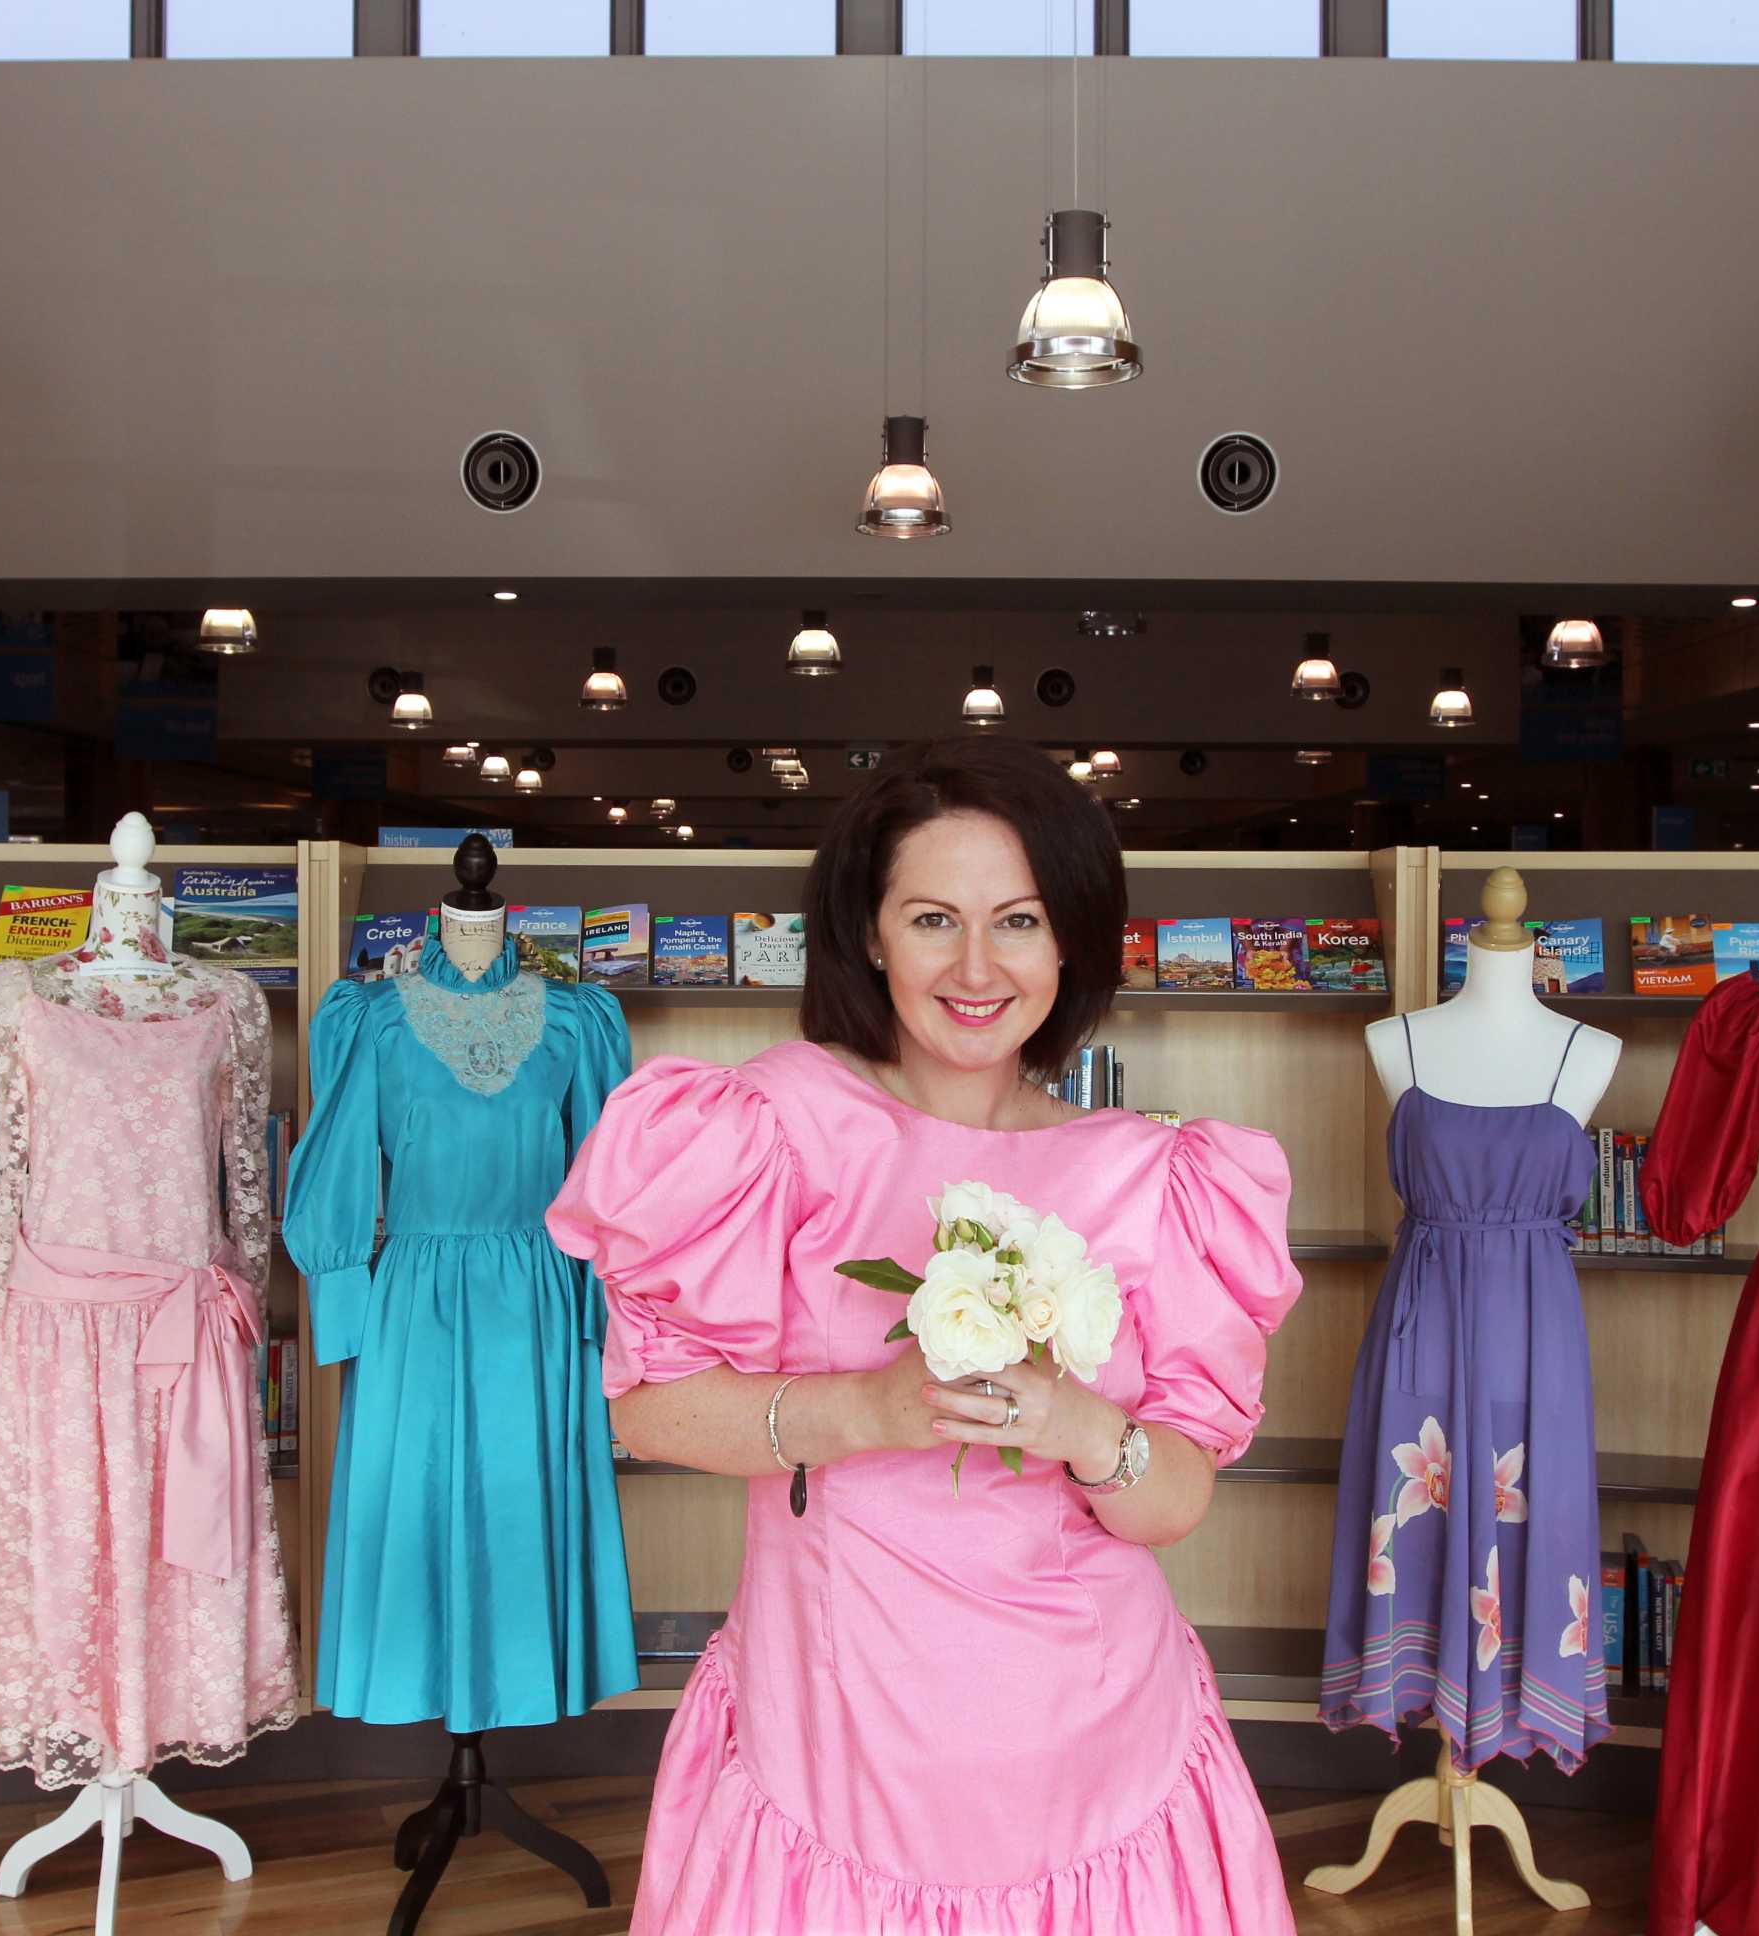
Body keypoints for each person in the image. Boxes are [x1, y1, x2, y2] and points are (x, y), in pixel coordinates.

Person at [547, 735, 1304, 1934]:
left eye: (1017, 920)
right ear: (869, 931)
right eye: (933, 918)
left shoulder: (1152, 1175)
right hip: (835, 1736)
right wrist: (870, 1407)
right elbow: (648, 1403)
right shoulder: (772, 1126)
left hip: (1097, 1749)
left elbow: (1177, 1501)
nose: (976, 965)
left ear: (1070, 941)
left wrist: (1082, 1423)